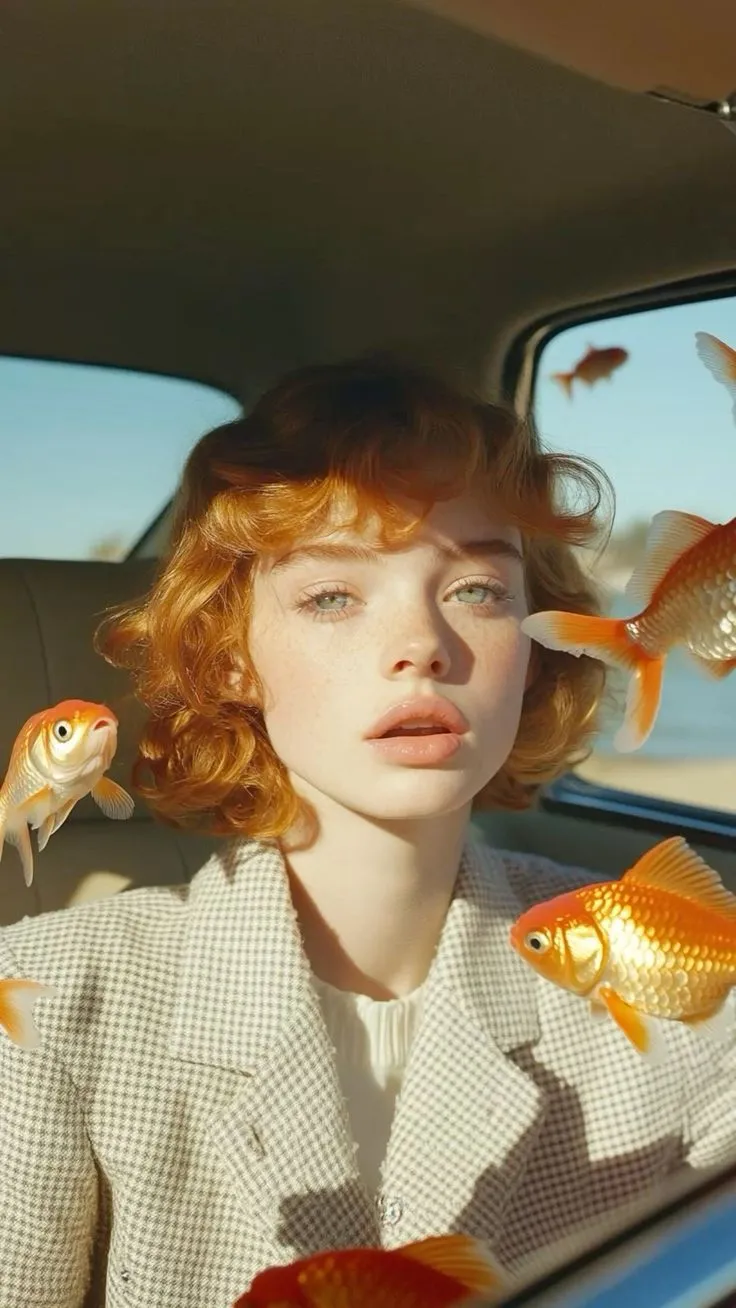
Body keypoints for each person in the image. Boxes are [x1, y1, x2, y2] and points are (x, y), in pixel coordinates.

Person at [0, 355, 734, 1308]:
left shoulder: (680, 983)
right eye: (333, 596)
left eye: (477, 589)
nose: (423, 643)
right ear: (230, 657)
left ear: (539, 645)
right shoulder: (53, 1005)